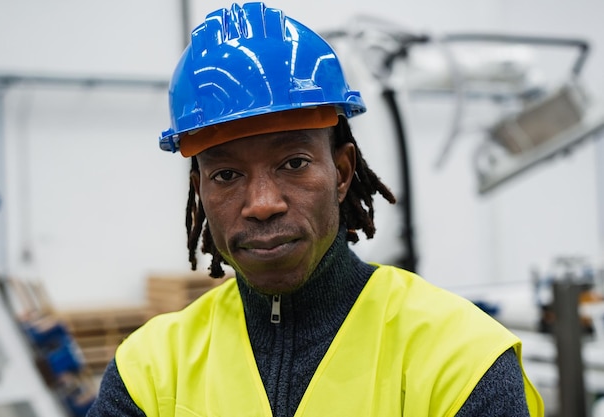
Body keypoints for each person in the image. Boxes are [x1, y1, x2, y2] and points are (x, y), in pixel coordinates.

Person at [88, 3, 544, 416]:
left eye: (294, 163)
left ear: (343, 172)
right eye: (226, 175)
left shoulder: (461, 360)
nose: (263, 204)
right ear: (200, 190)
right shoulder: (147, 373)